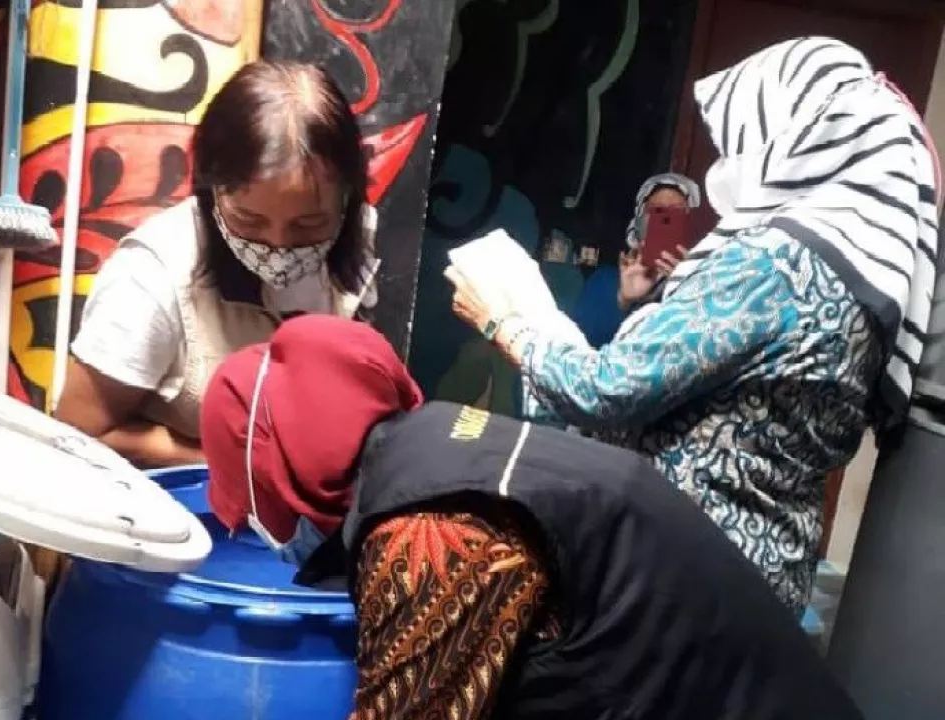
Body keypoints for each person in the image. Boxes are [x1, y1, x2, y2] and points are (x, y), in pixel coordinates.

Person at [446, 36, 940, 614]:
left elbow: (607, 389)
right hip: (756, 584)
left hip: (677, 583)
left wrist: (504, 321)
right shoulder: (862, 280)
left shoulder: (773, 265)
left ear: (796, 135)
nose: (729, 161)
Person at [198, 314, 862, 720]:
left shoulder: (430, 530)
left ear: (274, 474)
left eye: (250, 505)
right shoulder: (440, 442)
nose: (260, 530)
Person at [54, 60, 378, 468]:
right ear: (213, 192)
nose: (278, 245)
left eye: (308, 224)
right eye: (249, 220)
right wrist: (232, 465)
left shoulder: (357, 238)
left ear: (347, 201)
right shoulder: (149, 278)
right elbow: (78, 431)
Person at [571, 173, 700, 345]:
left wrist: (685, 290)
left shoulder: (701, 285)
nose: (666, 219)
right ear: (639, 222)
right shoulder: (605, 280)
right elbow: (581, 347)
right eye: (657, 210)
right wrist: (624, 301)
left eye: (677, 212)